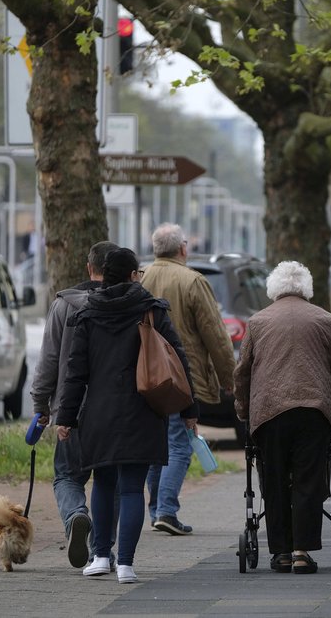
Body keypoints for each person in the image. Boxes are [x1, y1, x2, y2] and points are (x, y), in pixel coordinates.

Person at [56, 248, 197, 584]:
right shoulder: (152, 310)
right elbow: (178, 360)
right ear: (134, 275)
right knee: (132, 489)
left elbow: (76, 372)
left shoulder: (87, 314)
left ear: (104, 275)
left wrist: (66, 416)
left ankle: (101, 556)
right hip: (143, 412)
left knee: (103, 484)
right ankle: (126, 565)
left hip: (99, 414)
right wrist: (190, 410)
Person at [233, 261, 331, 574]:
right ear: (306, 288)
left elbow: (243, 371)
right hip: (313, 412)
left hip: (269, 412)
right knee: (309, 479)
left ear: (273, 288)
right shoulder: (325, 320)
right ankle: (302, 551)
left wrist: (244, 411)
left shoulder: (258, 322)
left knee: (273, 480)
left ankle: (281, 552)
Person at [140, 223, 235, 536]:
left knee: (156, 445)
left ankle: (156, 511)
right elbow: (216, 335)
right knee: (179, 444)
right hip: (182, 375)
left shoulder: (141, 278)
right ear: (183, 248)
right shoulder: (193, 281)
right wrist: (229, 379)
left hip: (145, 375)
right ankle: (166, 509)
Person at [30, 240, 118, 569]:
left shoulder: (64, 305)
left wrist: (41, 406)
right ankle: (102, 551)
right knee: (113, 482)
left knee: (68, 477)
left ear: (88, 267)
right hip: (114, 411)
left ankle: (76, 515)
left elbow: (49, 361)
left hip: (71, 409)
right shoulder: (126, 304)